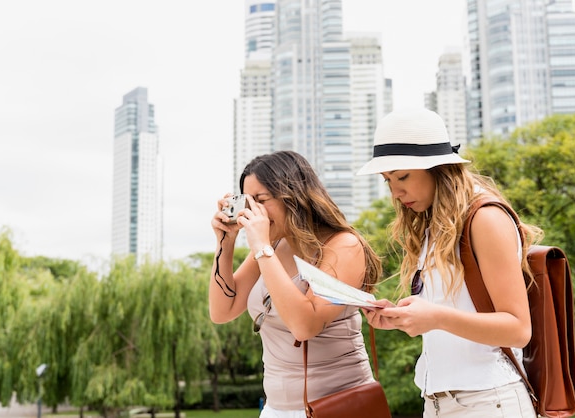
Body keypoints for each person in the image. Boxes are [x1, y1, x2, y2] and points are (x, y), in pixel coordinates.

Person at [356, 108, 542, 417]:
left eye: (403, 176)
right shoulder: (436, 224)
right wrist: (405, 317)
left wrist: (436, 317)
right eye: (388, 180)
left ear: (439, 168)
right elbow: (452, 312)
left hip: (489, 402)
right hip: (439, 402)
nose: (396, 191)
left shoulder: (484, 218)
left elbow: (518, 329)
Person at [209, 150, 383, 418]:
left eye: (261, 200)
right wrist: (225, 242)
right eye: (247, 201)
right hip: (276, 408)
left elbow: (304, 326)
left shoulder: (343, 245)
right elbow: (223, 311)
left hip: (339, 405)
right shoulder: (272, 246)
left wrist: (262, 246)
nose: (252, 211)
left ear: (294, 196)